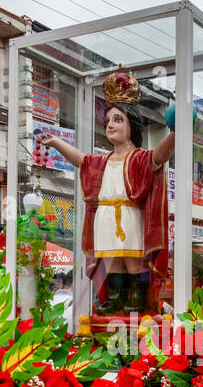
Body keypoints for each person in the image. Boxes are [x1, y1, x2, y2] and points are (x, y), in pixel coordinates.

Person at [35, 70, 175, 315]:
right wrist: (56, 142)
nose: (110, 124)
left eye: (118, 119)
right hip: (105, 217)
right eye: (108, 120)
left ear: (132, 124)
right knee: (110, 260)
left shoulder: (140, 158)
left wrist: (176, 133)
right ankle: (114, 299)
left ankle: (137, 300)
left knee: (133, 259)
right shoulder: (101, 160)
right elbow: (80, 159)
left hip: (129, 215)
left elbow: (160, 156)